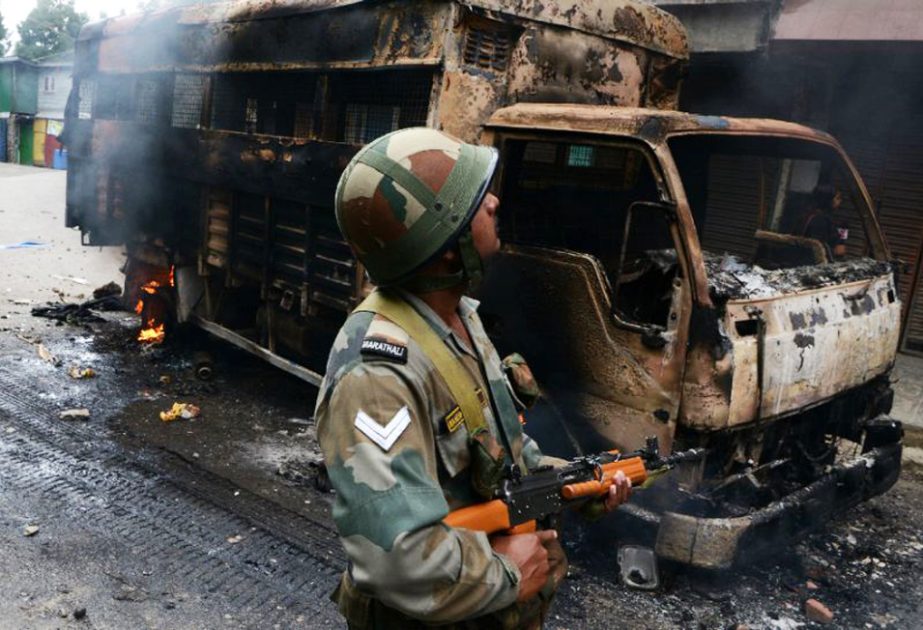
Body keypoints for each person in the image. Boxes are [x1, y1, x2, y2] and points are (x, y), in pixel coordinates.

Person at [315, 127, 631, 629]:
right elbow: (396, 556)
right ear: (446, 245)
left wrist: (577, 482)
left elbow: (499, 455)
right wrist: (507, 573)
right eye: (476, 200)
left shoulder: (458, 318)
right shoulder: (378, 374)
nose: (494, 202)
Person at [802, 184, 848, 259]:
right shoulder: (822, 220)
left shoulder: (807, 214)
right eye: (837, 198)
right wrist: (841, 241)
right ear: (828, 200)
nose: (840, 201)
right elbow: (838, 251)